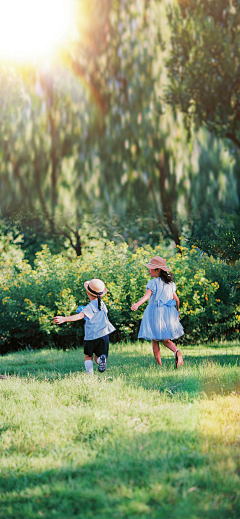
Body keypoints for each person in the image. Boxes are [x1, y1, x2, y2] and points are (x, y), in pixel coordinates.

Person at [54, 279, 115, 375]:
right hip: (104, 334)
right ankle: (101, 359)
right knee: (97, 358)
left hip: (91, 336)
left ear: (87, 293)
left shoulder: (90, 307)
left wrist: (64, 319)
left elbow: (79, 316)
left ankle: (90, 376)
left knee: (88, 356)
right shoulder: (102, 304)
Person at [131, 256, 184, 368]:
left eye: (151, 268)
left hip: (155, 313)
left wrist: (137, 304)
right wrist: (177, 312)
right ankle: (176, 351)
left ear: (158, 270)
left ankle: (159, 366)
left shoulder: (153, 283)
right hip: (168, 313)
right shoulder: (170, 284)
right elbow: (177, 299)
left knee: (155, 339)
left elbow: (147, 296)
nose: (149, 270)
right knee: (165, 339)